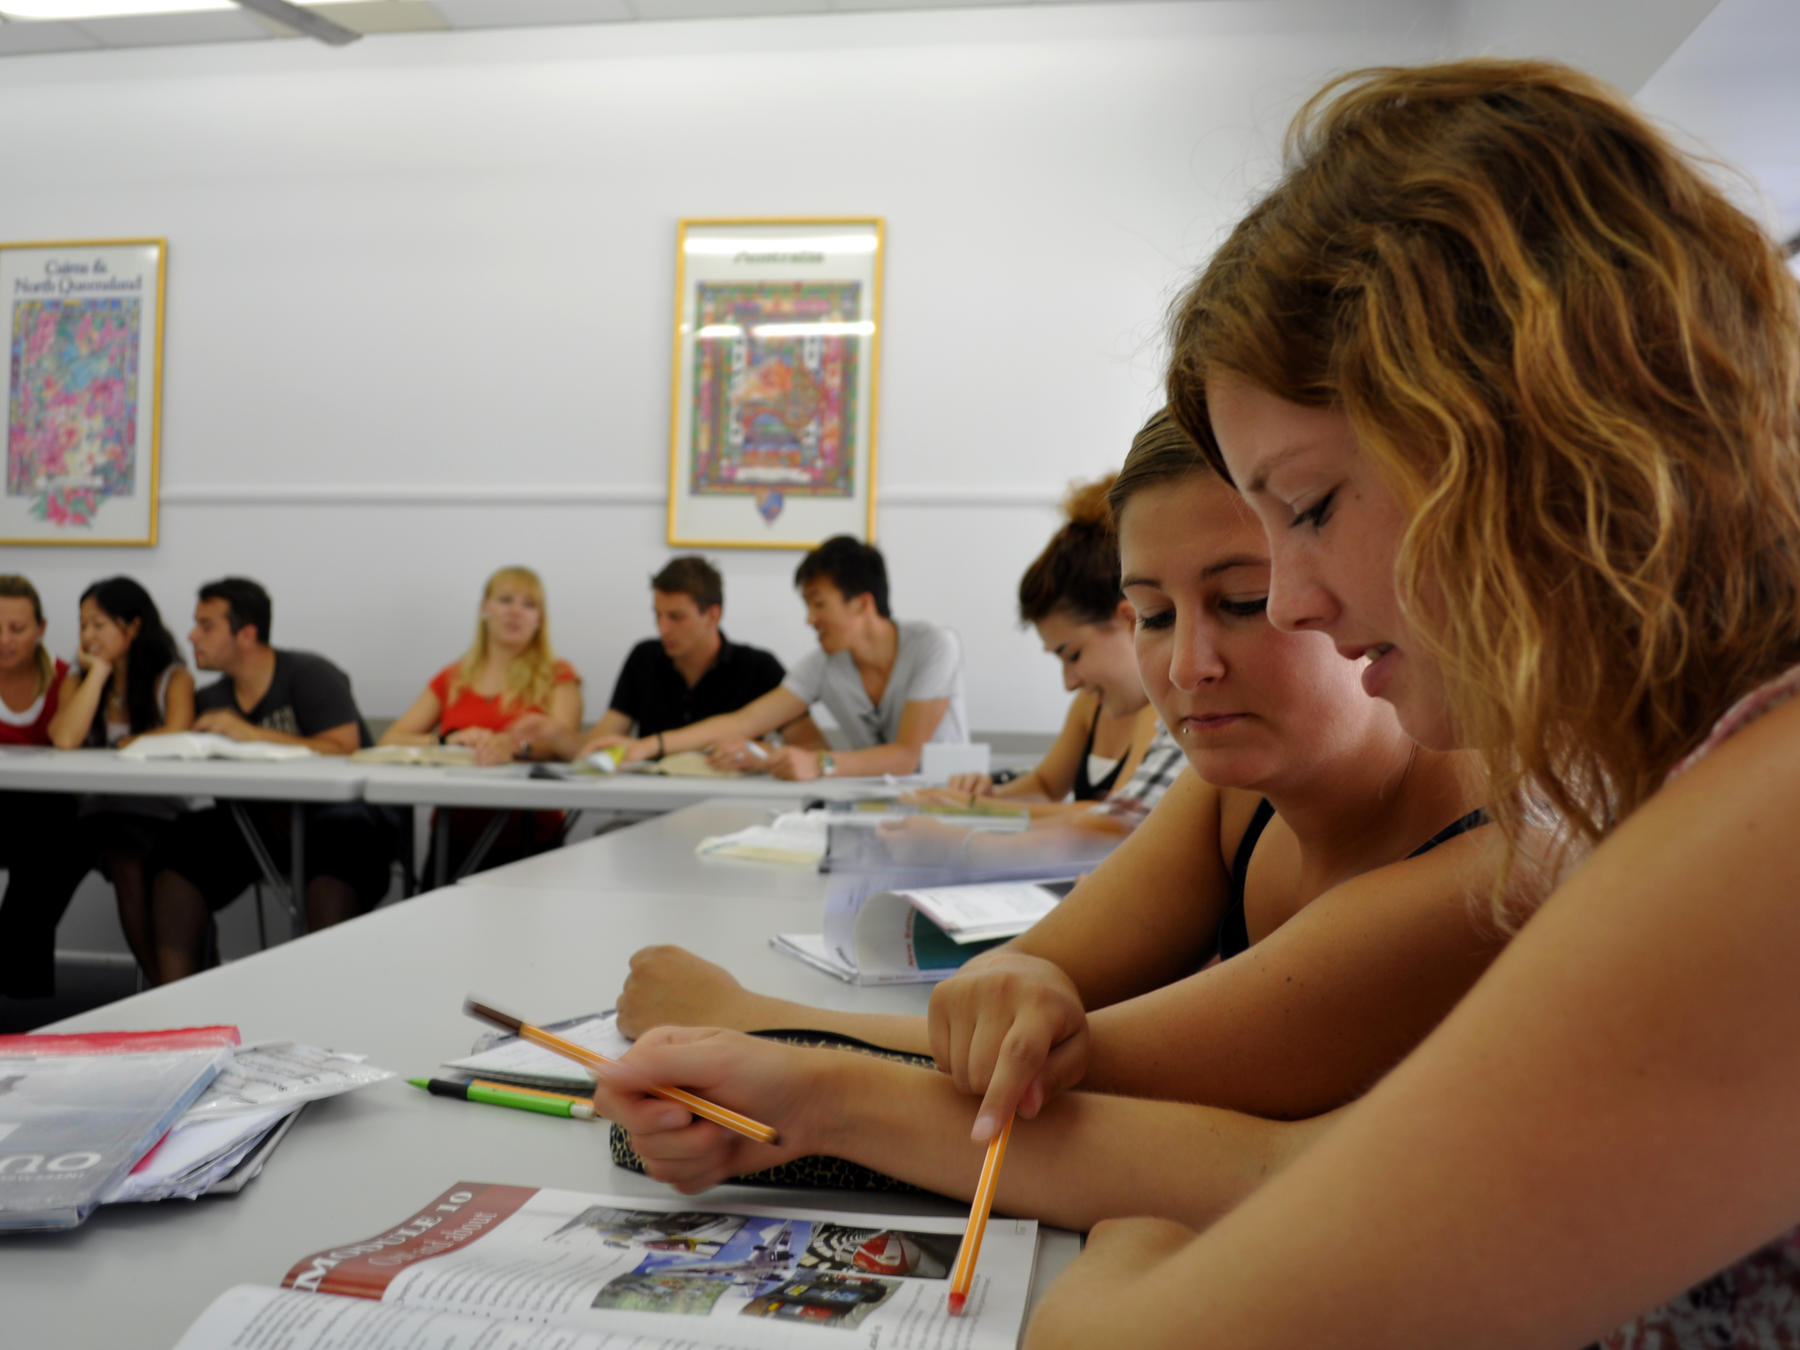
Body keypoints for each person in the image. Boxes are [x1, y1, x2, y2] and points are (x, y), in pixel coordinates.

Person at [1015, 58, 1800, 1350]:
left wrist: (1132, 1239)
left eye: (1312, 509)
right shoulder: (1686, 786)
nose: (1300, 600)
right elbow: (1316, 1171)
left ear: (1537, 428)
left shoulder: (1760, 823)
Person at [598, 410, 1511, 1228]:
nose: (1188, 665)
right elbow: (1016, 997)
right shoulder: (1233, 792)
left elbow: (1074, 1082)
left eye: (1242, 602)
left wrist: (755, 1018)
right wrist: (1010, 986)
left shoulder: (1479, 872)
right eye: (1151, 614)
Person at [144, 577, 399, 984]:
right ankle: (179, 1002)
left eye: (206, 625)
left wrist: (253, 733)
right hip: (256, 828)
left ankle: (327, 997)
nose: (193, 635)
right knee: (178, 846)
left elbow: (344, 746)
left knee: (343, 841)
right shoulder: (211, 699)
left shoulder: (311, 674)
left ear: (246, 634)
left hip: (336, 825)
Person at [594, 537, 968, 781]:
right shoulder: (823, 664)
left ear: (862, 603)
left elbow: (905, 757)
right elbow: (743, 722)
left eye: (818, 603)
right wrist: (649, 746)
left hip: (948, 805)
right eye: (807, 605)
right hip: (878, 808)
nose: (809, 619)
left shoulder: (934, 646)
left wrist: (819, 764)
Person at [910, 475, 1168, 821]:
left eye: (1073, 654)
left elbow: (1111, 821)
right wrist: (980, 794)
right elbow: (1046, 787)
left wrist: (976, 808)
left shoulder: (1161, 710)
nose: (1070, 682)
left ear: (1128, 620)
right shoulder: (1091, 704)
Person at [380, 566, 582, 881]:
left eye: (529, 604)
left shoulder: (558, 676)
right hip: (456, 832)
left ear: (540, 619)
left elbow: (566, 747)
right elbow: (391, 739)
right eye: (505, 600)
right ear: (484, 609)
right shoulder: (453, 678)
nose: (515, 611)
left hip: (531, 836)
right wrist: (449, 741)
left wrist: (515, 747)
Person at [42, 577, 195, 978]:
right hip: (97, 813)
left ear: (133, 626)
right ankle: (165, 984)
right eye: (82, 625)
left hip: (157, 812)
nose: (88, 635)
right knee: (52, 854)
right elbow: (64, 738)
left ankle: (171, 982)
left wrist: (123, 742)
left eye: (99, 624)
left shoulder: (173, 679)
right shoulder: (79, 680)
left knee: (139, 867)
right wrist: (99, 674)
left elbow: (176, 737)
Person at [0, 574, 79, 998]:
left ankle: (20, 998)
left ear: (41, 629)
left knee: (48, 844)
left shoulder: (64, 679)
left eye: (17, 629)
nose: (5, 640)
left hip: (46, 818)